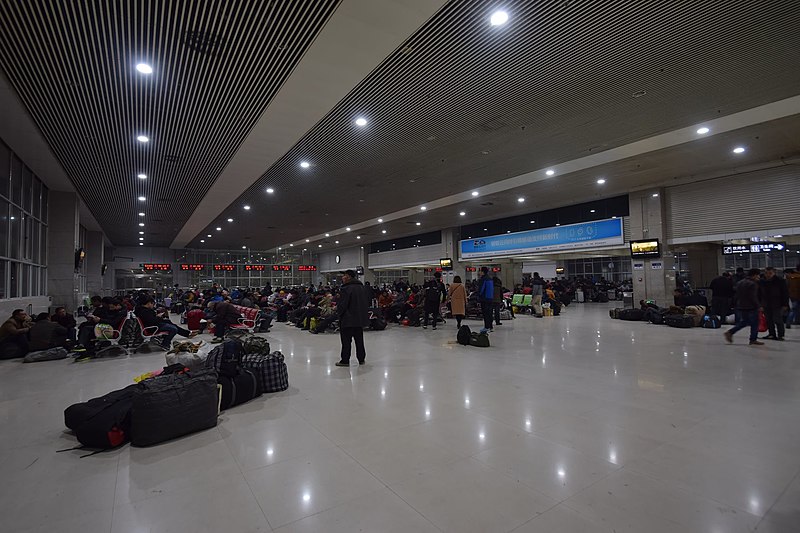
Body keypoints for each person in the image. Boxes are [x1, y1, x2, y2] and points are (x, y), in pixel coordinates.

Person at [335, 269, 369, 366]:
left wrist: (339, 314)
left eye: (344, 275)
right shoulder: (362, 287)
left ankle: (345, 360)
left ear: (349, 277)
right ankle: (361, 358)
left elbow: (343, 305)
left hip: (347, 319)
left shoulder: (345, 289)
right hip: (359, 319)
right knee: (359, 340)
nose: (342, 277)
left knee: (346, 341)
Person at [724, 268, 763, 345]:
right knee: (755, 323)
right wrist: (758, 306)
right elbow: (753, 297)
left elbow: (736, 294)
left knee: (744, 322)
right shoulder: (753, 284)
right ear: (755, 275)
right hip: (751, 306)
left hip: (741, 305)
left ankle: (730, 332)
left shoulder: (740, 282)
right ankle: (753, 339)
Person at [760, 266, 789, 341]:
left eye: (770, 273)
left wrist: (785, 304)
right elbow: (759, 293)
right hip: (766, 303)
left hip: (777, 303)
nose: (768, 275)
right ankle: (771, 334)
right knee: (768, 320)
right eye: (766, 273)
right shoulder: (762, 281)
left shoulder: (780, 281)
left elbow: (785, 293)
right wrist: (760, 304)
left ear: (774, 273)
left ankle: (780, 335)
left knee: (778, 319)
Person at [478, 267, 494, 334]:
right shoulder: (490, 279)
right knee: (490, 313)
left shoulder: (483, 279)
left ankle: (486, 327)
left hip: (484, 299)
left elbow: (481, 290)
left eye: (480, 271)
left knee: (485, 314)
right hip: (490, 298)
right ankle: (490, 326)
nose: (479, 273)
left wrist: (479, 296)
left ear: (482, 272)